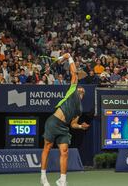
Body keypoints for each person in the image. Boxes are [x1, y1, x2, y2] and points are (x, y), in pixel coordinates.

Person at [40, 53, 89, 186]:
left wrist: (80, 126)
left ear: (83, 95)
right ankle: (43, 177)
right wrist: (69, 57)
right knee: (47, 147)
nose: (80, 88)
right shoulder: (72, 91)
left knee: (65, 152)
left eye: (82, 90)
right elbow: (74, 73)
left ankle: (62, 180)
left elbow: (73, 124)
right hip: (53, 121)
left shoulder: (79, 109)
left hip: (63, 128)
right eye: (79, 87)